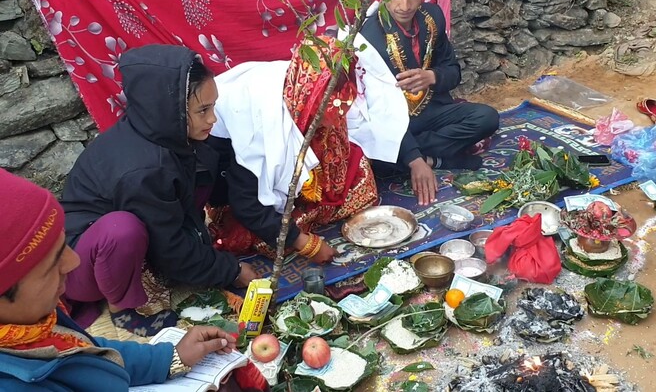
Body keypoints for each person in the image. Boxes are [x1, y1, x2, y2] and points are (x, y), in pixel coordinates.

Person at [0, 168, 269, 391]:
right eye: (50, 265)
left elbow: (89, 351)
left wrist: (170, 358)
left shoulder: (36, 324)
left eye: (63, 245)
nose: (74, 262)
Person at [60, 44, 260, 335]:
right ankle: (123, 310)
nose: (213, 119)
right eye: (203, 110)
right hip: (82, 263)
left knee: (207, 161)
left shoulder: (170, 135)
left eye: (213, 106)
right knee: (122, 229)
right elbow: (169, 249)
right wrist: (231, 270)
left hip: (130, 244)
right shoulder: (144, 170)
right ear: (170, 110)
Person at [207, 36, 408, 262]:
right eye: (322, 111)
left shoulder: (312, 86)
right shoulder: (259, 127)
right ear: (307, 101)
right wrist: (305, 243)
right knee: (261, 239)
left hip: (290, 178)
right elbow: (247, 205)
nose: (332, 119)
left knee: (362, 176)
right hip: (237, 191)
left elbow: (337, 149)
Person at [360, 0, 500, 206]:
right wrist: (415, 160)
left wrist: (432, 76)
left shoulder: (432, 16)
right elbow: (375, 110)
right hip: (389, 123)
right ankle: (437, 158)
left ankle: (420, 158)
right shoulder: (368, 36)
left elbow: (453, 71)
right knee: (370, 156)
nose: (404, 6)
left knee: (487, 118)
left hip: (431, 110)